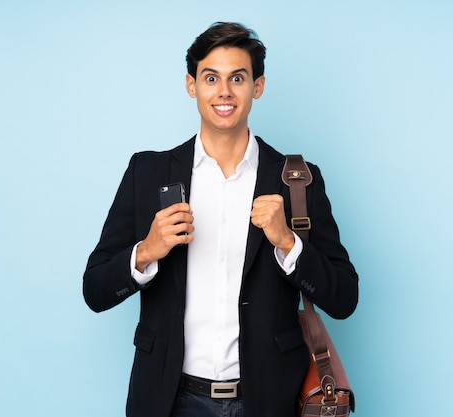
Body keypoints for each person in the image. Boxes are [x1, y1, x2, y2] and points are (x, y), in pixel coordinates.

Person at [83, 21, 358, 417]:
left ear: (257, 87)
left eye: (238, 78)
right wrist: (146, 251)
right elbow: (95, 290)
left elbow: (345, 298)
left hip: (267, 401)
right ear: (191, 85)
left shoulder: (298, 181)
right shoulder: (148, 173)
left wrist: (288, 244)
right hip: (168, 400)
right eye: (211, 78)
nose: (224, 91)